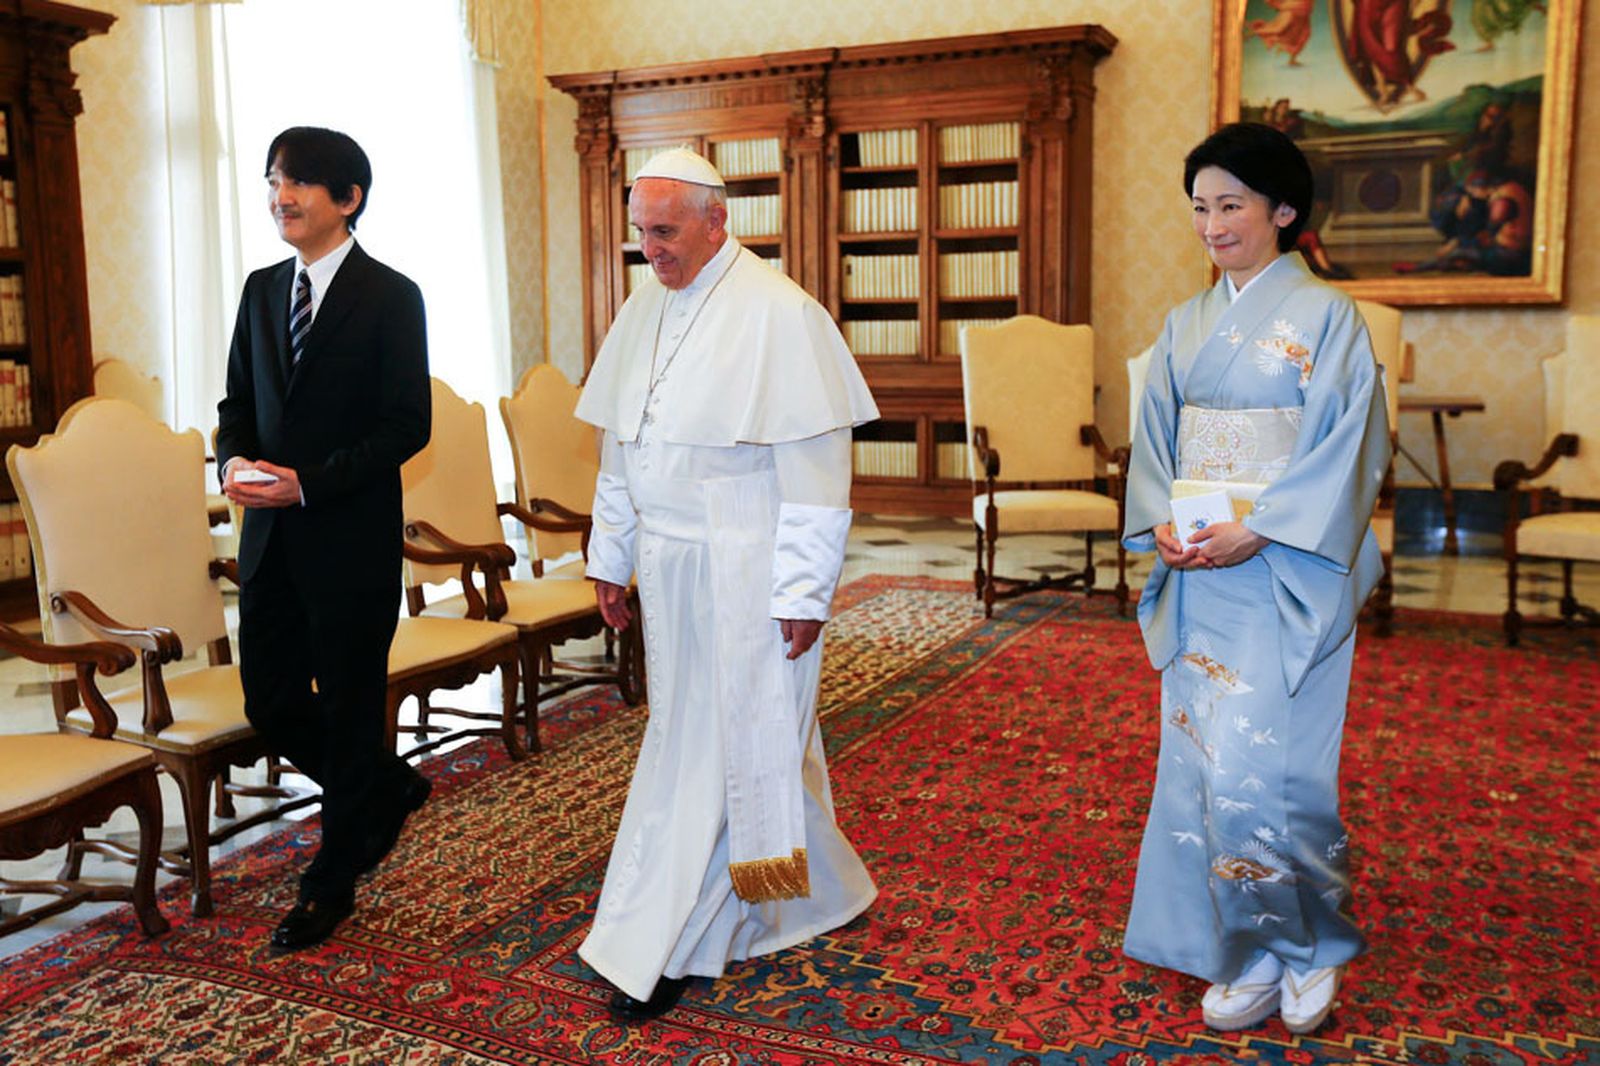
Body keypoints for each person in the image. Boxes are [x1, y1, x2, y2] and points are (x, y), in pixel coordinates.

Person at [574, 147, 880, 1023]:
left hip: (748, 561)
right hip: (670, 571)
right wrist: (610, 556)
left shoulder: (781, 315)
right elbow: (620, 449)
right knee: (709, 742)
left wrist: (804, 592)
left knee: (730, 752)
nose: (650, 250)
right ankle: (800, 892)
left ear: (718, 221)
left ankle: (673, 944)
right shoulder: (645, 307)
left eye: (665, 232)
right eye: (641, 232)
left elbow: (819, 473)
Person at [1121, 123, 1390, 1036]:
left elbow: (1350, 447)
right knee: (1203, 763)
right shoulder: (1183, 325)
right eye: (1200, 207)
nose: (1212, 223)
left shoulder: (1329, 319)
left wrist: (1262, 528)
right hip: (1203, 569)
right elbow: (1155, 440)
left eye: (1230, 204)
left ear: (1283, 211)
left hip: (1286, 570)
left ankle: (1305, 944)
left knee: (1274, 769)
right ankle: (1242, 946)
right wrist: (1161, 518)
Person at [216, 126, 432, 953]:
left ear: (349, 199)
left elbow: (406, 425)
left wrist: (312, 480)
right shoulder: (261, 289)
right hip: (268, 539)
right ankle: (383, 787)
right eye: (274, 180)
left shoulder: (390, 295)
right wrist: (234, 459)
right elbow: (238, 402)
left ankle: (330, 881)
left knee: (346, 712)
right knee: (270, 702)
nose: (281, 196)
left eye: (300, 182)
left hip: (348, 540)